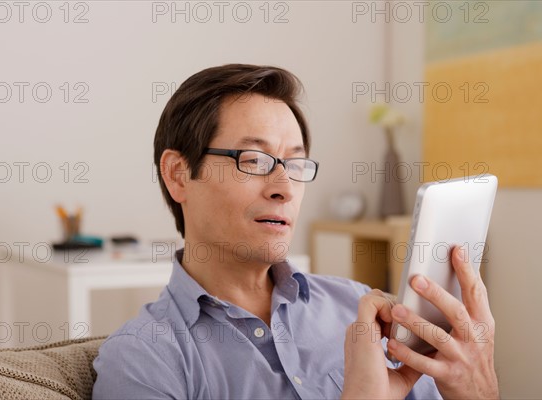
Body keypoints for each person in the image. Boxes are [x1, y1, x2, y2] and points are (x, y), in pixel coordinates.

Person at [92, 64, 499, 399]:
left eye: (296, 164)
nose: (284, 187)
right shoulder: (144, 360)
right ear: (179, 175)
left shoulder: (363, 310)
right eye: (253, 160)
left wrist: (476, 390)